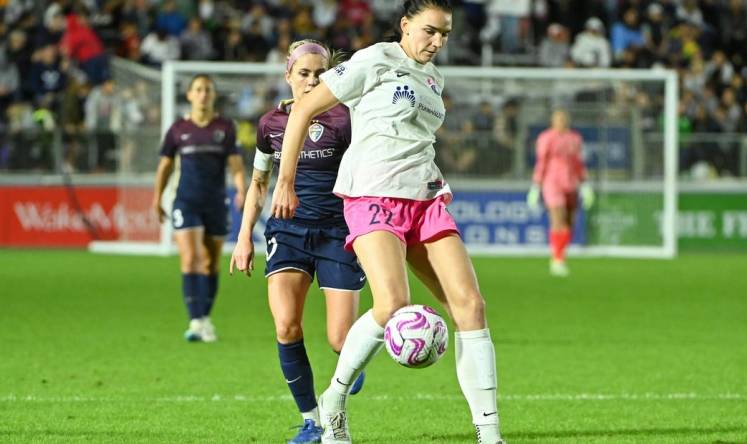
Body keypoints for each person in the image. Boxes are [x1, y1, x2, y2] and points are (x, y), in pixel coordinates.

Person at [268, 1, 506, 443]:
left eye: (446, 35)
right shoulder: (374, 60)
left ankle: (490, 434)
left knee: (470, 307)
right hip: (372, 197)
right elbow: (302, 111)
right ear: (405, 25)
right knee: (393, 302)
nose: (437, 42)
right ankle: (335, 399)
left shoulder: (435, 78)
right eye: (430, 31)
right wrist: (285, 182)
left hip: (426, 197)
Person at [229, 39, 366, 444]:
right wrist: (242, 238)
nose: (311, 81)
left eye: (319, 74)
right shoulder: (270, 124)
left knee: (342, 339)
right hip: (287, 232)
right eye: (303, 73)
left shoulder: (346, 119)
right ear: (288, 75)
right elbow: (258, 183)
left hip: (337, 233)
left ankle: (350, 368)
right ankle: (312, 420)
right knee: (287, 326)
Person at [152, 74, 246, 342]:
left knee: (211, 262)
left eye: (207, 89)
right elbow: (165, 166)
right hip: (186, 200)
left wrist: (241, 189)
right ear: (190, 95)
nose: (203, 94)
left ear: (213, 95)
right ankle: (195, 320)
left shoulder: (225, 128)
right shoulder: (178, 129)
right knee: (190, 257)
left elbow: (236, 165)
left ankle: (204, 318)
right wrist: (156, 198)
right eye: (198, 89)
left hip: (216, 201)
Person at [527, 109, 594, 277]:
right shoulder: (546, 138)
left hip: (570, 183)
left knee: (569, 223)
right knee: (558, 218)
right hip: (552, 182)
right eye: (558, 119)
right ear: (553, 121)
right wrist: (536, 186)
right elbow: (542, 162)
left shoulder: (575, 138)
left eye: (564, 118)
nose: (561, 122)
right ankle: (557, 259)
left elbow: (578, 163)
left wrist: (585, 185)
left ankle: (559, 255)